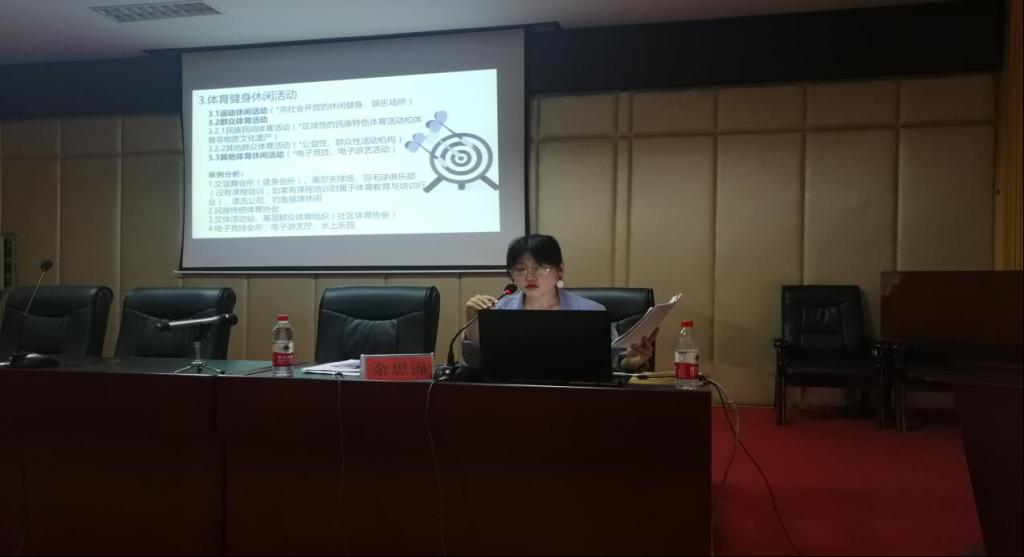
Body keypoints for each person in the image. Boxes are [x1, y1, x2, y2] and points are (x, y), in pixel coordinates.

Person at [462, 234, 655, 372]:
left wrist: (629, 363)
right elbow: (476, 362)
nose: (530, 276)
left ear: (560, 270)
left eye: (540, 267)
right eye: (520, 269)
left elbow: (610, 365)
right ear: (511, 274)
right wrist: (472, 319)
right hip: (513, 397)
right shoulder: (498, 311)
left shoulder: (591, 311)